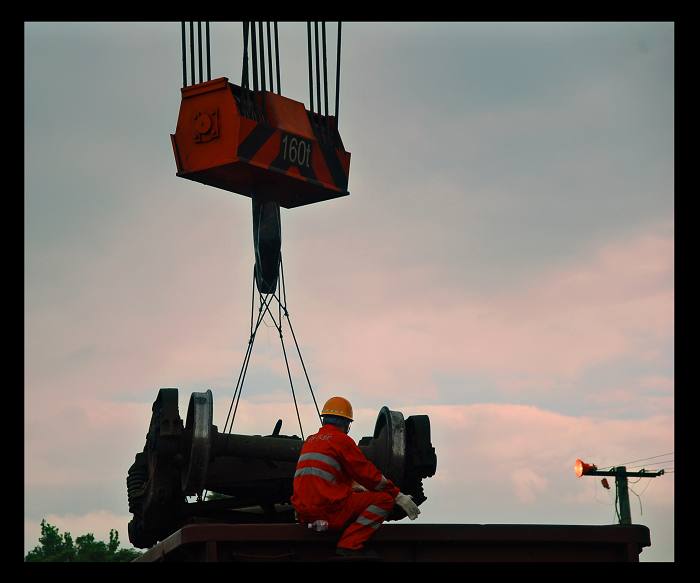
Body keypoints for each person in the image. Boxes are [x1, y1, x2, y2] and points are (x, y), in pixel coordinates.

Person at [291, 396, 420, 559]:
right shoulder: (341, 440)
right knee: (384, 500)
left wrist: (354, 487)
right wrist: (397, 495)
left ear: (324, 420)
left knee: (354, 499)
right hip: (329, 518)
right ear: (346, 424)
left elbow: (327, 478)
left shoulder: (310, 441)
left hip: (309, 521)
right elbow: (368, 475)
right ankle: (349, 546)